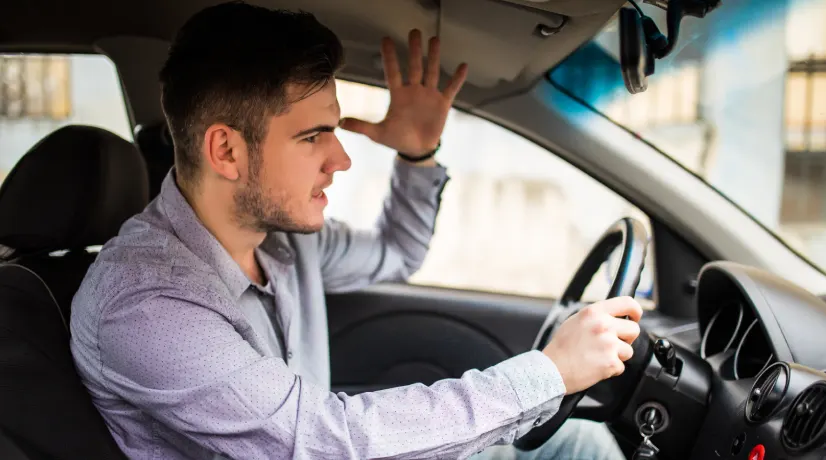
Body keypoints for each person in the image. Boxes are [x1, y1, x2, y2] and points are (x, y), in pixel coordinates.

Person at [69, 2, 642, 459]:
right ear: (227, 150)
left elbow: (396, 253)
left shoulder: (281, 237)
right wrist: (548, 372)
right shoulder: (144, 304)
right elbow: (322, 443)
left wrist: (418, 157)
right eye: (312, 136)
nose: (340, 159)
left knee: (578, 443)